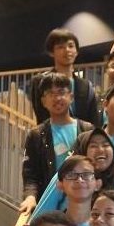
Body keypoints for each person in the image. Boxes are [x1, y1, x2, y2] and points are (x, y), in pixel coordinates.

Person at [21, 73, 93, 214]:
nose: (57, 98)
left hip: (83, 204)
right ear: (43, 101)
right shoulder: (36, 135)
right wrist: (30, 197)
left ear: (71, 97)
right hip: (50, 206)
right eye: (50, 93)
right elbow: (30, 175)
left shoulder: (87, 130)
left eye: (61, 92)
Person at [29, 29, 100, 126]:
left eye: (71, 46)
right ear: (51, 52)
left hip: (82, 137)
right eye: (60, 47)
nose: (67, 50)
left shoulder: (86, 85)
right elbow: (41, 115)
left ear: (76, 51)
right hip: (52, 135)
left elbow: (93, 119)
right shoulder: (40, 81)